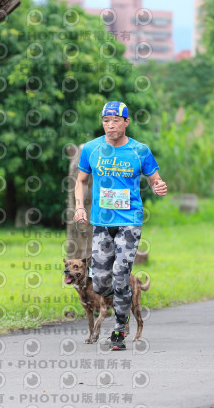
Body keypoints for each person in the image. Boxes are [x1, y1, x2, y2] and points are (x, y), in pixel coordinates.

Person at [73, 100, 167, 350]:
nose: (110, 125)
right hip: (101, 223)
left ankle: (119, 330)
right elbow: (81, 180)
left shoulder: (140, 151)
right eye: (106, 120)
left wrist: (159, 186)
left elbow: (155, 178)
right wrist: (80, 206)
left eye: (115, 120)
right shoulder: (92, 149)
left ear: (126, 122)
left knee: (120, 276)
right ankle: (121, 308)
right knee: (102, 281)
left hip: (129, 222)